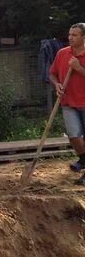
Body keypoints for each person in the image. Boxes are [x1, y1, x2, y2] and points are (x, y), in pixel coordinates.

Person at [49, 23, 85, 181]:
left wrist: (79, 68)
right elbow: (52, 74)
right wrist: (56, 84)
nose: (70, 37)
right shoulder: (62, 53)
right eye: (70, 34)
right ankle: (83, 159)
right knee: (73, 135)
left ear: (83, 37)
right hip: (68, 102)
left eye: (75, 35)